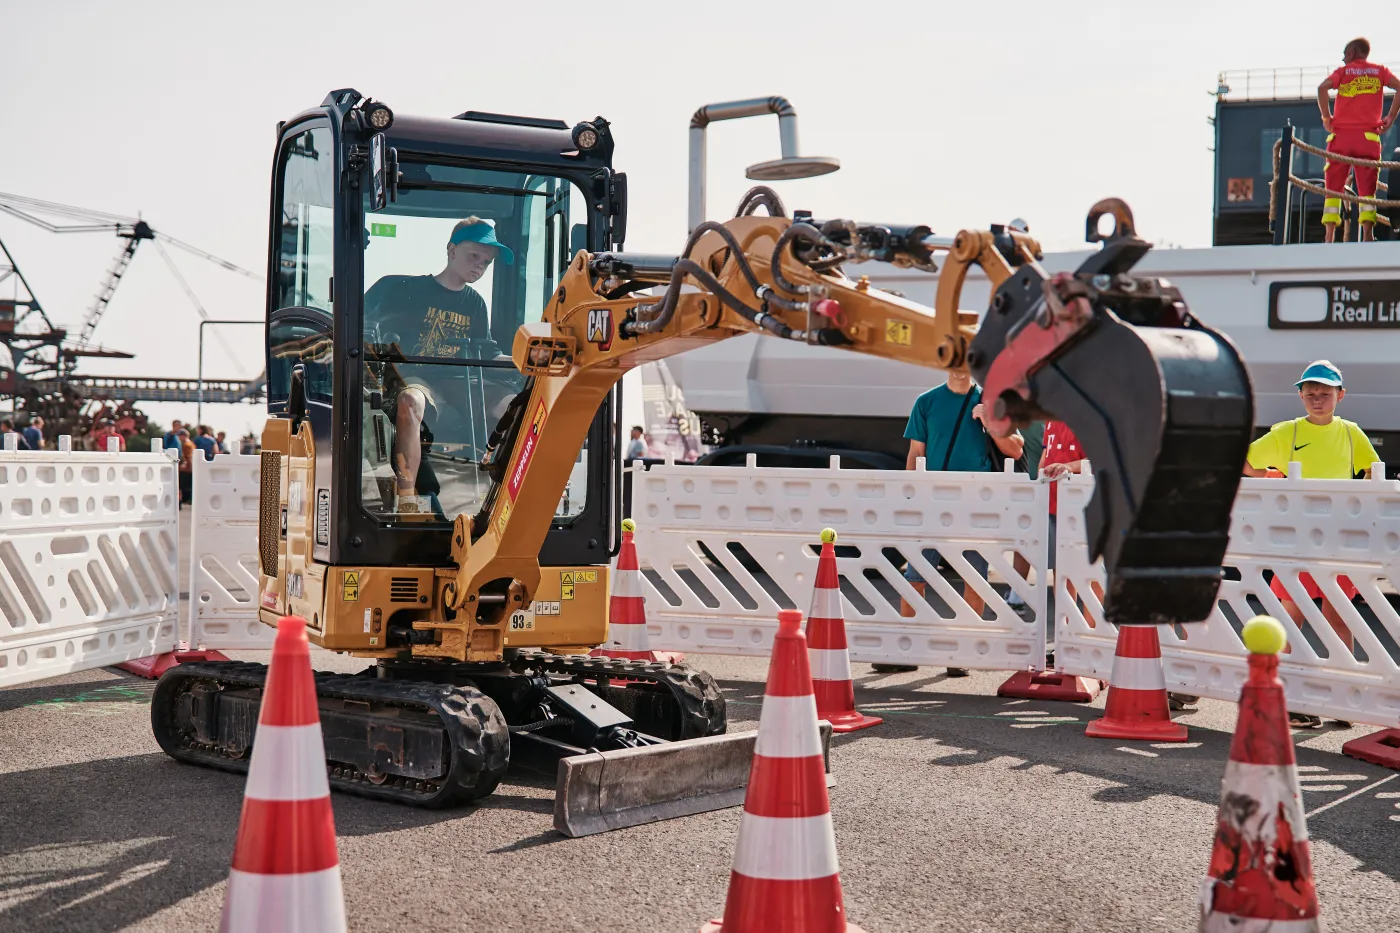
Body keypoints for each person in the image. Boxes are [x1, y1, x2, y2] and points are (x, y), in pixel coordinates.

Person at [1245, 360, 1378, 728]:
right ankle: (1284, 696)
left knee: (1339, 617)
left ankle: (1341, 699)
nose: (1317, 399)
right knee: (1289, 615)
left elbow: (1373, 472)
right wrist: (1271, 479)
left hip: (1338, 541)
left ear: (1340, 395)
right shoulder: (1286, 432)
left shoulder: (1352, 433)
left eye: (1325, 393)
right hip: (1297, 540)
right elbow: (1247, 462)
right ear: (1300, 395)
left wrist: (1358, 503)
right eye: (1311, 393)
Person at [364, 216, 512, 516]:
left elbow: (487, 352)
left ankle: (510, 494)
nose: (480, 266)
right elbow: (362, 323)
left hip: (459, 379)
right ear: (451, 250)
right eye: (475, 256)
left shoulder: (475, 304)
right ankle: (408, 499)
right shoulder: (403, 290)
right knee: (409, 400)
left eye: (486, 262)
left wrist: (527, 359)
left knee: (518, 406)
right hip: (418, 376)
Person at [883, 371, 1025, 676]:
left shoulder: (993, 401)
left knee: (975, 576)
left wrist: (990, 422)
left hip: (977, 505)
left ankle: (963, 652)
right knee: (916, 574)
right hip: (932, 504)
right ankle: (907, 649)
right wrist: (910, 499)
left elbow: (1016, 449)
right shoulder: (926, 402)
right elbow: (915, 454)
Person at [1316, 38, 1400, 243]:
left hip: (1341, 138)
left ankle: (1328, 237)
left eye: (1345, 54)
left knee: (1333, 189)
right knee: (1367, 192)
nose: (1343, 59)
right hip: (1368, 138)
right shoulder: (1379, 72)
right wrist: (1390, 117)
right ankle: (1367, 235)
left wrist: (1326, 117)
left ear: (1353, 52)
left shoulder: (1342, 73)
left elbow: (1321, 89)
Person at [176, 428, 196, 504]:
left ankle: (180, 500)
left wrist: (186, 467)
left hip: (187, 467)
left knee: (181, 485)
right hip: (191, 466)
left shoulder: (186, 445)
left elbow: (188, 458)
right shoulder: (191, 444)